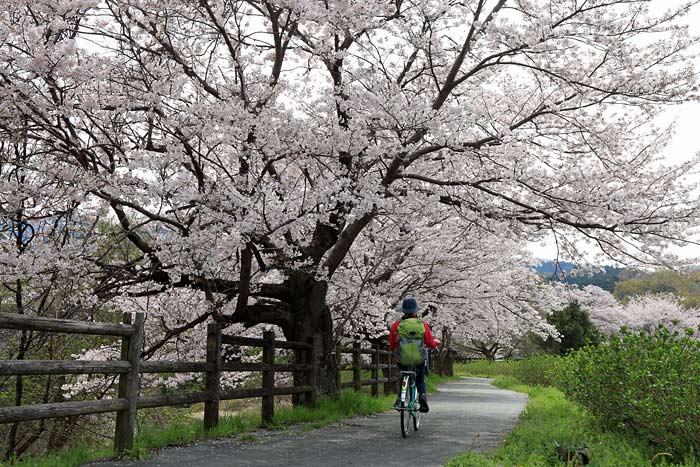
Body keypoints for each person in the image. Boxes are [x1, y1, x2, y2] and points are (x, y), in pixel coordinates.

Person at [389, 297, 439, 413]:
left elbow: (392, 343)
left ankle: (399, 399)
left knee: (402, 377)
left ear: (403, 311)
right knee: (420, 379)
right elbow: (429, 342)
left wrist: (394, 350)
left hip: (403, 359)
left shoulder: (397, 325)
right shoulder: (422, 324)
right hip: (419, 360)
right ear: (415, 311)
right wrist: (434, 345)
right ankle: (422, 396)